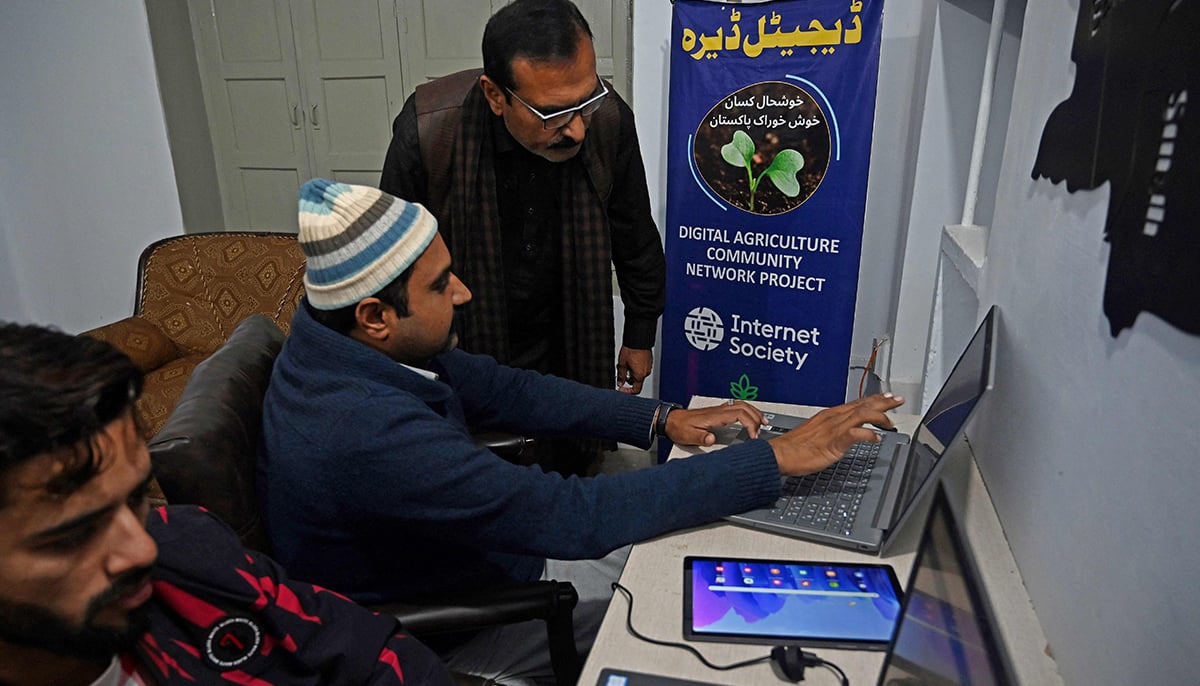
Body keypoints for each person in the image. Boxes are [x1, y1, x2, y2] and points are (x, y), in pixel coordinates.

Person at [258, 179, 904, 684]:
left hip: (491, 557)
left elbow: (510, 389)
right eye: (439, 285)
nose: (463, 293)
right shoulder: (360, 428)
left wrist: (659, 418)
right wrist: (773, 458)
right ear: (375, 315)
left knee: (712, 546)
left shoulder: (341, 342)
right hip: (466, 620)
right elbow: (571, 518)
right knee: (710, 617)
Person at [0, 321, 454, 686]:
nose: (141, 548)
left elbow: (372, 650)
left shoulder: (190, 553)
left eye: (135, 496)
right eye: (76, 533)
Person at [379, 0, 664, 475]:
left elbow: (633, 232)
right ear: (495, 95)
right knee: (481, 473)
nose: (575, 129)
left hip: (568, 328)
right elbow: (392, 264)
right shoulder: (432, 130)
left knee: (571, 463)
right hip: (465, 338)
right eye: (552, 114)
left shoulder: (608, 119)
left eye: (585, 102)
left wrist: (639, 334)